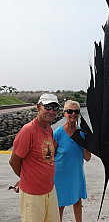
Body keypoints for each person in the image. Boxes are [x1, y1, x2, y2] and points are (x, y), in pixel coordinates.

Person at [9, 93, 61, 222]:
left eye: (55, 108)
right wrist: (25, 178)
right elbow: (14, 162)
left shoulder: (49, 129)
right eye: (48, 107)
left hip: (50, 189)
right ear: (38, 107)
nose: (51, 111)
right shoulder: (28, 131)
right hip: (33, 195)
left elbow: (46, 158)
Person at [53, 100, 91, 222]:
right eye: (70, 111)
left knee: (77, 201)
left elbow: (87, 157)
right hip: (59, 175)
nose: (73, 114)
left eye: (76, 111)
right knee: (60, 204)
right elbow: (50, 156)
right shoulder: (57, 133)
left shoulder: (82, 133)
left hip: (76, 174)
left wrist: (86, 142)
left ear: (79, 114)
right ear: (64, 113)